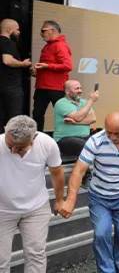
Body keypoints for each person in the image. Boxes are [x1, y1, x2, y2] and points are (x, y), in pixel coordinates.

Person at [59, 113, 119, 273]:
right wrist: (70, 199)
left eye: (116, 133)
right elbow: (78, 171)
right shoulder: (95, 141)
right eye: (108, 131)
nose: (111, 136)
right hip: (100, 198)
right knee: (101, 235)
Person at [0, 116, 64, 273]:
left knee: (36, 255)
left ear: (33, 139)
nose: (14, 150)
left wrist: (59, 200)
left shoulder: (47, 143)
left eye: (20, 147)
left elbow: (56, 173)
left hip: (36, 209)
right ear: (4, 130)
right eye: (10, 145)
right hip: (2, 210)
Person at [32, 20, 73, 132]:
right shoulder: (47, 46)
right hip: (42, 87)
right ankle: (37, 138)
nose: (41, 34)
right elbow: (48, 68)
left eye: (43, 31)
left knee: (62, 115)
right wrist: (36, 72)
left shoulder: (60, 45)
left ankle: (64, 139)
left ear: (52, 30)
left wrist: (47, 66)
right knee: (37, 114)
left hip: (56, 88)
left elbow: (67, 66)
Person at [53, 80, 98, 161]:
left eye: (80, 88)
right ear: (67, 91)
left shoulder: (84, 102)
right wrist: (91, 100)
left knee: (100, 144)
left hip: (85, 137)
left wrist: (75, 123)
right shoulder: (61, 103)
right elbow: (78, 117)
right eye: (77, 89)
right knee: (87, 147)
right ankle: (85, 172)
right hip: (65, 139)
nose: (80, 91)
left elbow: (92, 119)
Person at [0, 19, 32, 133]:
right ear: (9, 29)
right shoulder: (7, 42)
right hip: (11, 87)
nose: (19, 32)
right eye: (17, 29)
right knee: (14, 119)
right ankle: (13, 145)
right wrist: (23, 64)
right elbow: (7, 61)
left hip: (4, 86)